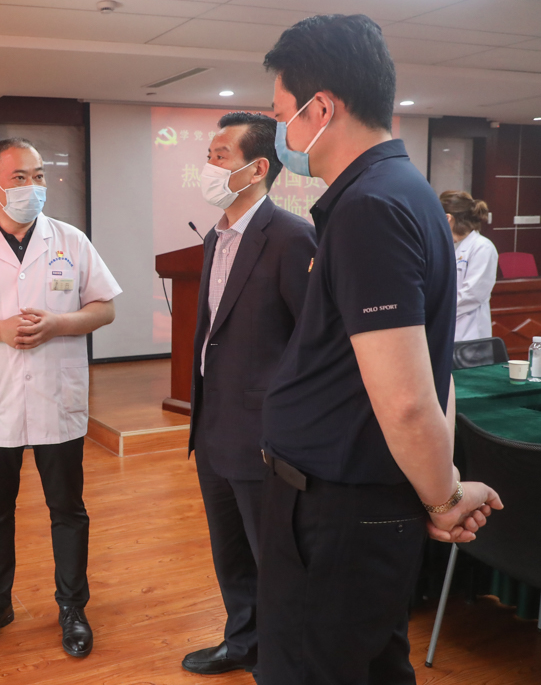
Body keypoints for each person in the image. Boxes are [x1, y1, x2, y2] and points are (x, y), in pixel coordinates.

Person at [257, 14, 504, 685]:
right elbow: (434, 369)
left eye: (281, 115)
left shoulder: (370, 208)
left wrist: (442, 497)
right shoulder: (404, 192)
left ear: (320, 109)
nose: (280, 133)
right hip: (350, 507)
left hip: (337, 512)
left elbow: (407, 400)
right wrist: (440, 485)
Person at [0, 137, 121, 658]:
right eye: (20, 178)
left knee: (67, 508)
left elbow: (104, 308)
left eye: (39, 176)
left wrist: (57, 324)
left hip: (57, 397)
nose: (33, 186)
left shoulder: (71, 240)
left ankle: (72, 608)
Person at [183, 112, 316, 677]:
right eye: (208, 156)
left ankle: (283, 663)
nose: (208, 167)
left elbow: (311, 342)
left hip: (263, 433)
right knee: (230, 551)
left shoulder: (290, 236)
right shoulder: (217, 236)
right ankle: (242, 643)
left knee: (273, 558)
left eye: (219, 156)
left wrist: (286, 427)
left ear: (257, 168)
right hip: (213, 425)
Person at [441, 190, 498, 341]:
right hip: (450, 329)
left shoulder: (482, 247)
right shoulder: (454, 246)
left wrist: (437, 310)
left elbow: (472, 295)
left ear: (447, 218)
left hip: (469, 333)